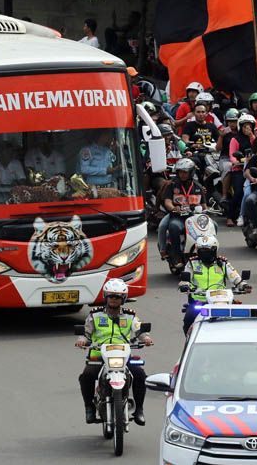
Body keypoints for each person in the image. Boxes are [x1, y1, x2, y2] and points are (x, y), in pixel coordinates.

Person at [76, 278, 153, 425]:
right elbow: (86, 334)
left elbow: (139, 331)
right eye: (111, 296)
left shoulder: (130, 316)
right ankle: (89, 408)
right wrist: (82, 341)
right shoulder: (95, 315)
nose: (113, 299)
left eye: (117, 297)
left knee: (140, 374)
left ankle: (139, 410)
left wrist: (146, 338)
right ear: (106, 297)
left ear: (123, 298)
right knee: (86, 376)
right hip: (99, 356)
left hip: (122, 356)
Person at [178, 235, 250, 333]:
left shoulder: (222, 263)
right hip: (199, 302)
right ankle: (190, 343)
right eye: (201, 251)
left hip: (222, 301)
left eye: (207, 251)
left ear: (214, 250)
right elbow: (185, 278)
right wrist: (185, 285)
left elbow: (235, 277)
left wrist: (243, 285)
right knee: (188, 320)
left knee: (239, 319)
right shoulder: (192, 263)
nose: (204, 254)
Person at [158, 158, 205, 267]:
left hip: (194, 218)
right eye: (180, 172)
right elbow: (168, 202)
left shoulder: (198, 187)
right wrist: (174, 208)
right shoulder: (172, 185)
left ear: (191, 172)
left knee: (214, 225)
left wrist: (204, 210)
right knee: (173, 226)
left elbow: (204, 205)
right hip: (178, 217)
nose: (182, 174)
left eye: (185, 172)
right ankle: (176, 256)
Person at [228, 114, 255, 226]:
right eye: (244, 127)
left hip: (253, 168)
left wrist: (252, 136)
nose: (247, 129)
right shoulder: (235, 139)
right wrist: (236, 161)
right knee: (239, 192)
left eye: (249, 127)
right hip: (239, 169)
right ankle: (230, 217)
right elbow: (232, 155)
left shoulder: (254, 138)